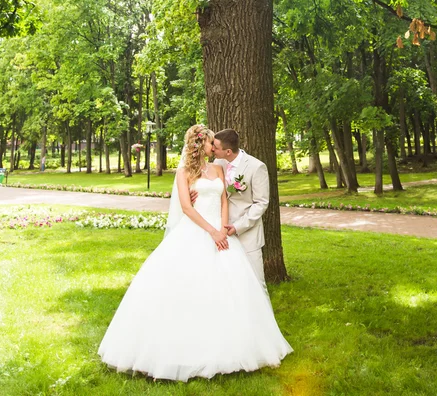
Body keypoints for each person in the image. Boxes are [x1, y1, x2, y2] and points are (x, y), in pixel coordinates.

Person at [98, 124, 292, 382]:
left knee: (234, 288)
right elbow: (188, 209)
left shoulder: (219, 168)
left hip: (221, 234)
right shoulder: (183, 172)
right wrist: (211, 231)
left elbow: (224, 200)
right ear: (204, 145)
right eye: (212, 143)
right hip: (196, 231)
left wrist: (222, 230)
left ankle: (238, 344)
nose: (215, 147)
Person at [210, 129, 269, 289]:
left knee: (256, 283)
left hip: (247, 234)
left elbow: (261, 203)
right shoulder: (218, 163)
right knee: (228, 284)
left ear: (228, 151)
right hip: (221, 232)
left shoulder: (257, 167)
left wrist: (238, 226)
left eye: (215, 146)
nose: (212, 149)